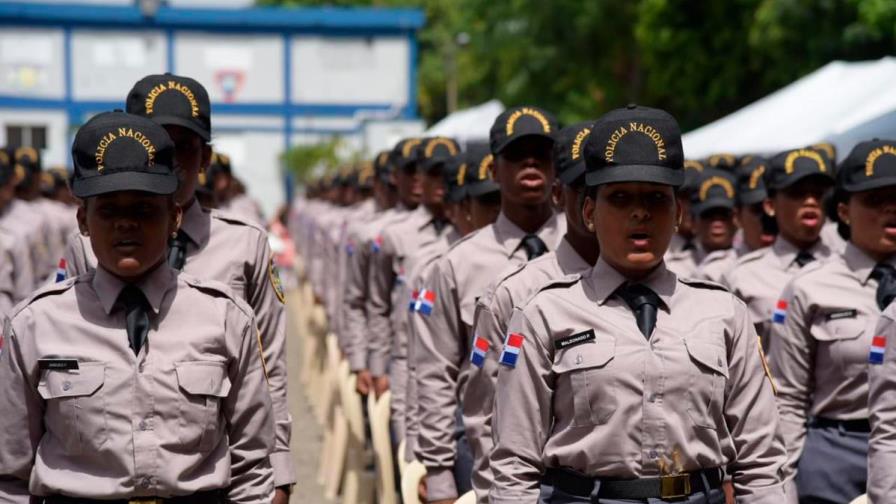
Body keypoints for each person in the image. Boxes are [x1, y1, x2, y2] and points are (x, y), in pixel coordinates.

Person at [488, 104, 787, 504]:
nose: (640, 212)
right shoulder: (544, 314)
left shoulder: (723, 313)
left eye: (656, 198)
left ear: (679, 212)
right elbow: (514, 464)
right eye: (621, 197)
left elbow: (761, 461)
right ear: (590, 211)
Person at [0, 110, 274, 502]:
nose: (125, 224)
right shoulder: (35, 325)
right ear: (83, 219)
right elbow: (9, 477)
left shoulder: (226, 319)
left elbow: (253, 469)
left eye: (144, 210)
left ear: (174, 217)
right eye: (109, 210)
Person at [60, 74, 295, 501]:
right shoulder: (86, 245)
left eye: (184, 147)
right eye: (154, 142)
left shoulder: (244, 243)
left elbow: (269, 367)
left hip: (206, 467)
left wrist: (277, 468)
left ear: (205, 157)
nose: (172, 161)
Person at [414, 106, 565, 502]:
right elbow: (434, 372)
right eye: (517, 154)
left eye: (542, 153)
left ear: (558, 167)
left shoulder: (589, 251)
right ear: (494, 170)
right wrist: (440, 472)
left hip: (575, 466)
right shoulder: (456, 265)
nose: (531, 163)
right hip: (486, 459)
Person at [463, 121, 600, 502]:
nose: (598, 202)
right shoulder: (514, 292)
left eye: (614, 192)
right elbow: (484, 414)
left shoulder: (656, 292)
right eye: (586, 189)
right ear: (560, 195)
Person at [771, 139, 896, 504]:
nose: (890, 208)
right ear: (843, 211)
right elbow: (789, 398)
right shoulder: (808, 288)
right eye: (874, 199)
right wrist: (782, 485)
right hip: (836, 462)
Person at [404, 145, 500, 466]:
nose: (498, 213)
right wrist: (423, 458)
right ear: (460, 208)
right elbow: (426, 367)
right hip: (468, 433)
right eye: (488, 204)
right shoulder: (439, 267)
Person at [723, 147, 834, 348]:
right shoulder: (743, 277)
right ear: (770, 206)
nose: (810, 201)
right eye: (797, 193)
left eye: (819, 194)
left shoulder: (854, 269)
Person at [347, 139, 421, 396]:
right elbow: (362, 301)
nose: (418, 179)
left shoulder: (459, 229)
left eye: (425, 171)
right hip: (394, 363)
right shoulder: (373, 233)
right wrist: (365, 363)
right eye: (409, 171)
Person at [689, 168, 740, 284]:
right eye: (708, 215)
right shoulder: (673, 267)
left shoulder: (749, 265)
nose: (717, 223)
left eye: (725, 215)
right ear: (693, 221)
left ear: (737, 219)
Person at [731, 156, 776, 256]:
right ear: (737, 217)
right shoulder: (723, 270)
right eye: (758, 210)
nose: (768, 219)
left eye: (773, 208)